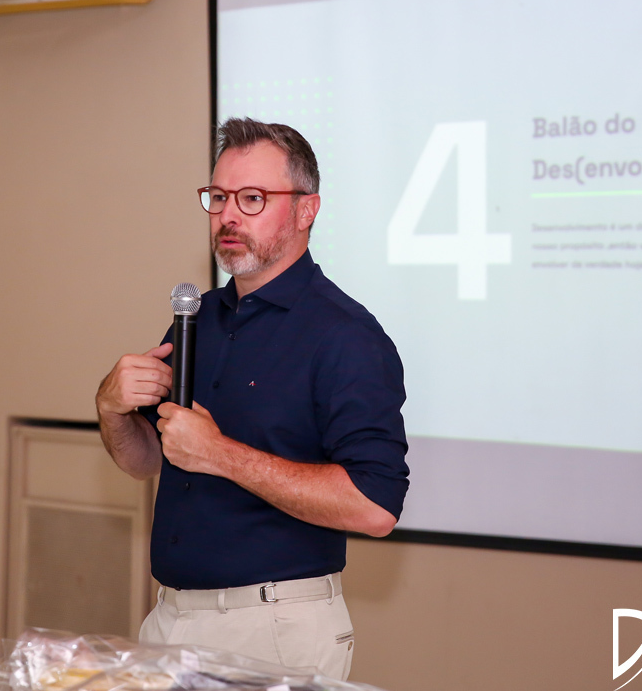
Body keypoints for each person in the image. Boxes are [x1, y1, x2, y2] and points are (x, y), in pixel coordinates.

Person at [95, 118, 408, 681]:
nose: (228, 216)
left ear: (306, 210)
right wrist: (111, 408)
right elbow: (145, 460)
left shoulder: (345, 336)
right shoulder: (198, 318)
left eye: (253, 199)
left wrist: (220, 455)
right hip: (170, 618)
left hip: (273, 628)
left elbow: (375, 507)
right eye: (218, 197)